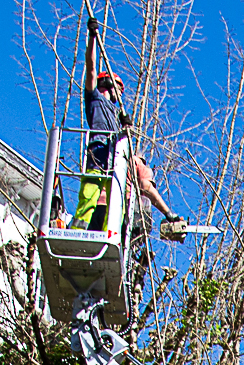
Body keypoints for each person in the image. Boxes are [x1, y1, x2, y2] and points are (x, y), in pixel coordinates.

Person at [77, 24, 182, 236]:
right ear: (107, 83)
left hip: (113, 163)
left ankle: (104, 237)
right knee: (89, 196)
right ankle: (77, 231)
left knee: (111, 208)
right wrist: (92, 39)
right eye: (118, 87)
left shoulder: (116, 115)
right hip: (98, 154)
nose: (120, 93)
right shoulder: (94, 98)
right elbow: (90, 67)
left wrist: (125, 128)